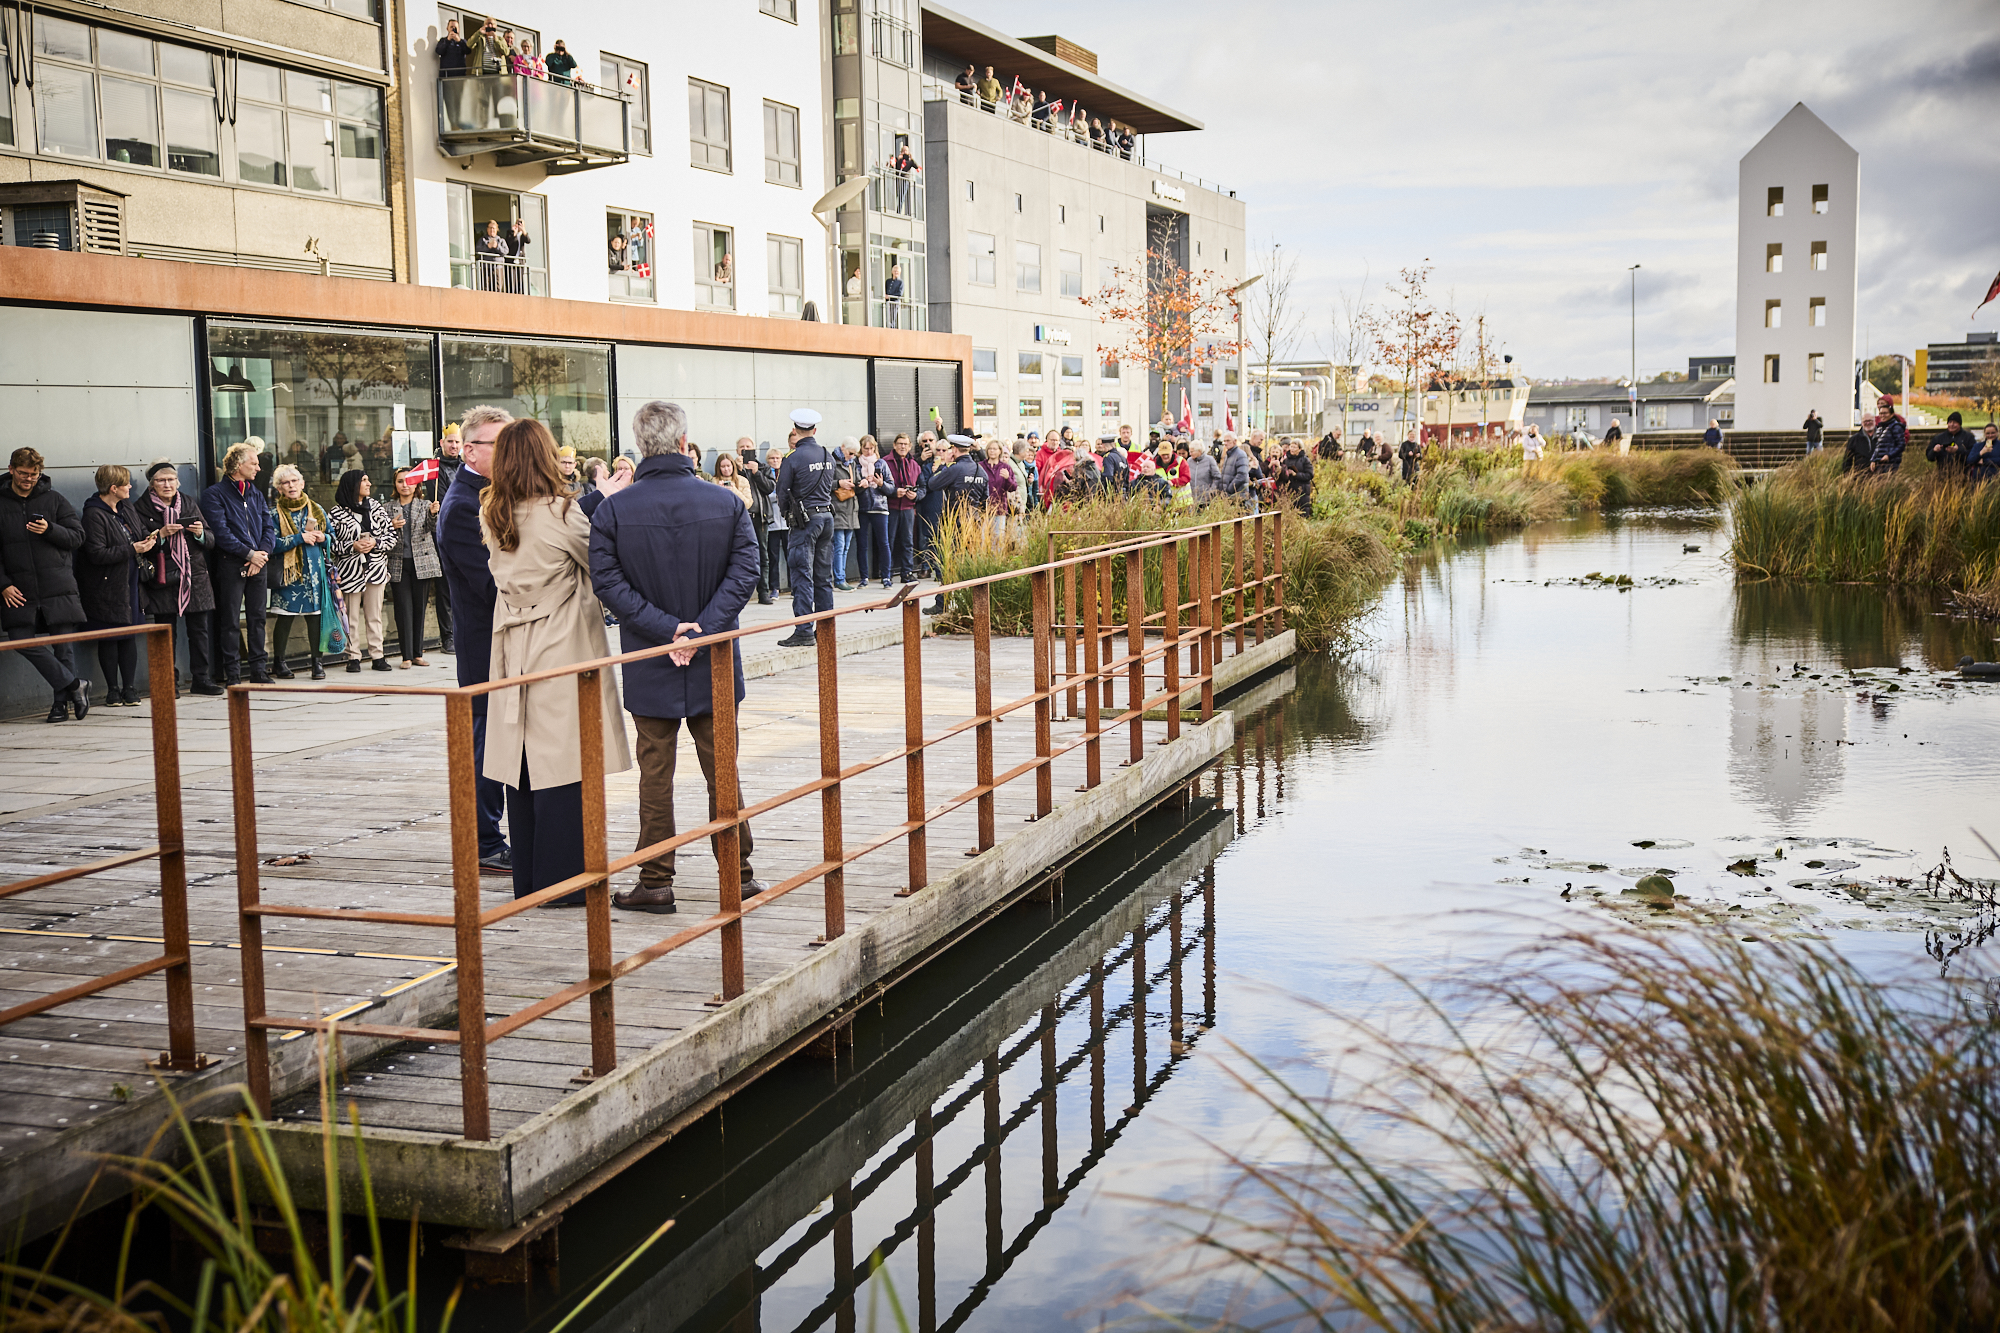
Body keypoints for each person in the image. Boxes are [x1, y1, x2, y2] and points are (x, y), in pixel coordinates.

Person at [590, 401, 767, 914]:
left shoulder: (613, 510)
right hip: (711, 654)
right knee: (723, 771)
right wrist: (703, 629)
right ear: (685, 438)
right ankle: (737, 873)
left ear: (639, 444)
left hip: (651, 654)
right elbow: (746, 569)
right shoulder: (725, 501)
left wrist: (668, 630)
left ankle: (656, 878)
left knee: (655, 773)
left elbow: (609, 584)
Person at [481, 417, 630, 905]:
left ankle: (529, 880)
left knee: (521, 768)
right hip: (561, 645)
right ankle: (568, 888)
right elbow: (598, 561)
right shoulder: (563, 512)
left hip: (511, 648)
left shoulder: (492, 511)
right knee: (566, 766)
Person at [435, 405, 514, 875]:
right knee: (484, 744)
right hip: (485, 646)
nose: (509, 453)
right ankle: (483, 842)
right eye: (499, 445)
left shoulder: (492, 491)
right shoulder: (463, 504)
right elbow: (490, 584)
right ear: (469, 450)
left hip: (507, 642)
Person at [1, 447, 90, 721]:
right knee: (20, 641)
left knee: (63, 647)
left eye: (34, 474)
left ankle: (60, 705)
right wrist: (3, 584)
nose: (29, 479)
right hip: (18, 588)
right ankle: (76, 685)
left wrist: (50, 529)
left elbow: (78, 537)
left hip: (57, 585)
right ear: (12, 469)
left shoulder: (55, 500)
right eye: (24, 473)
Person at [75, 465, 157, 707]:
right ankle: (112, 690)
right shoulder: (93, 514)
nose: (130, 487)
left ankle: (129, 688)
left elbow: (141, 532)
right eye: (126, 484)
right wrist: (133, 549)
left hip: (130, 582)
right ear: (114, 488)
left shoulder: (126, 507)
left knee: (129, 635)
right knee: (110, 637)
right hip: (106, 586)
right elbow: (96, 554)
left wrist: (152, 538)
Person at [135, 462, 218, 696]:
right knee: (165, 632)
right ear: (152, 484)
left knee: (199, 631)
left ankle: (201, 679)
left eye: (171, 479)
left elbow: (211, 539)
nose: (167, 484)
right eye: (161, 480)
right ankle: (167, 682)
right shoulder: (141, 507)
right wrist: (160, 534)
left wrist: (200, 533)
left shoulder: (189, 502)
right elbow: (140, 545)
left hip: (194, 575)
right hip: (163, 577)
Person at [201, 439, 276, 685]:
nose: (259, 468)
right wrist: (249, 554)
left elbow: (269, 527)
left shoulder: (255, 492)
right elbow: (221, 533)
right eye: (254, 463)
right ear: (238, 465)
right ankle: (232, 674)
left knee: (258, 618)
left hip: (258, 563)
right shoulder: (214, 495)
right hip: (232, 564)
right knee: (231, 620)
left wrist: (261, 555)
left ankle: (259, 670)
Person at [773, 408, 839, 647]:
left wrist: (788, 516)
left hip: (805, 523)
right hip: (827, 519)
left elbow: (782, 493)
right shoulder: (826, 454)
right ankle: (826, 630)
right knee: (823, 577)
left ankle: (803, 631)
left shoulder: (792, 458)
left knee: (802, 575)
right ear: (815, 430)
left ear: (795, 430)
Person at [265, 464, 334, 680]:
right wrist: (298, 538)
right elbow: (270, 544)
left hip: (314, 574)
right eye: (286, 483)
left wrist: (324, 538)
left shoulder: (316, 509)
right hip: (289, 575)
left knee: (315, 618)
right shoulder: (273, 514)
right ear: (279, 488)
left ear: (302, 484)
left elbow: (331, 536)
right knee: (284, 619)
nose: (291, 485)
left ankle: (317, 662)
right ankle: (279, 662)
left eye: (295, 481)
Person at [329, 469, 394, 673]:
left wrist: (376, 542)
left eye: (367, 479)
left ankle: (377, 655)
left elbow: (392, 537)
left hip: (375, 570)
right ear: (352, 485)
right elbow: (330, 545)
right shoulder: (336, 513)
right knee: (350, 617)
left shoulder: (377, 507)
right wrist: (352, 546)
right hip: (350, 572)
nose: (368, 483)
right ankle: (353, 656)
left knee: (374, 615)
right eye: (363, 480)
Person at [922, 436, 988, 614]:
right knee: (970, 563)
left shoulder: (955, 469)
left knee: (948, 563)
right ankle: (970, 602)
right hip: (974, 524)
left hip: (954, 524)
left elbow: (932, 483)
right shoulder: (980, 470)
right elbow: (985, 501)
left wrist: (943, 467)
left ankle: (942, 603)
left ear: (955, 450)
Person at [389, 465, 442, 667]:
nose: (405, 485)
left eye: (409, 481)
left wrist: (433, 514)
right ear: (395, 484)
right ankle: (406, 656)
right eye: (400, 481)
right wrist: (390, 526)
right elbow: (382, 533)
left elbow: (433, 528)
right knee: (403, 608)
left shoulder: (426, 504)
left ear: (417, 484)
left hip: (422, 562)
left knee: (419, 607)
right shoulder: (387, 507)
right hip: (398, 563)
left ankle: (418, 653)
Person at [883, 432, 926, 581]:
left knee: (908, 542)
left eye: (905, 444)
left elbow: (922, 487)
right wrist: (894, 492)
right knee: (888, 541)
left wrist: (917, 495)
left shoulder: (915, 465)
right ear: (894, 445)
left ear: (910, 446)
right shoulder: (884, 463)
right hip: (890, 507)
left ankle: (907, 573)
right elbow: (878, 486)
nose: (902, 446)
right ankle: (886, 574)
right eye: (900, 443)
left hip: (908, 508)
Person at [739, 438, 776, 605]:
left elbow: (769, 488)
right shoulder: (735, 468)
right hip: (742, 519)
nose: (745, 450)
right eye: (742, 447)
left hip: (760, 517)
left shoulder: (763, 467)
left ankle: (763, 592)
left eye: (748, 447)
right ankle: (743, 593)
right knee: (742, 556)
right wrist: (740, 470)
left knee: (763, 555)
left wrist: (756, 472)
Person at [855, 436, 891, 587]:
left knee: (883, 543)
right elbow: (852, 488)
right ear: (860, 449)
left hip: (879, 507)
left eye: (871, 448)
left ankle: (886, 576)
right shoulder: (856, 464)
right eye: (865, 448)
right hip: (862, 508)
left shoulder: (881, 463)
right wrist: (860, 485)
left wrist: (881, 484)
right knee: (862, 544)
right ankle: (864, 577)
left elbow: (891, 487)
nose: (868, 451)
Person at [831, 437, 861, 590]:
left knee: (846, 546)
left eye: (855, 454)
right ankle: (839, 579)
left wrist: (862, 483)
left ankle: (841, 577)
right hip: (837, 508)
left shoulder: (852, 464)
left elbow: (856, 483)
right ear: (842, 448)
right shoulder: (831, 462)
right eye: (850, 453)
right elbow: (824, 483)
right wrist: (839, 483)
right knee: (839, 545)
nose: (852, 456)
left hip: (850, 508)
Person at [762, 446, 790, 599]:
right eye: (772, 458)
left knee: (790, 554)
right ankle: (775, 588)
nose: (775, 461)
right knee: (773, 557)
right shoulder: (766, 474)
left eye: (777, 458)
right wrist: (779, 495)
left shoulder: (786, 473)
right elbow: (768, 494)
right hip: (772, 521)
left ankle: (793, 585)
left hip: (786, 521)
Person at [980, 439, 1019, 537]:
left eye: (994, 449)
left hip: (999, 508)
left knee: (998, 538)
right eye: (990, 449)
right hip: (983, 508)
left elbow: (1013, 487)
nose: (992, 451)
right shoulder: (980, 466)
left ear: (1000, 451)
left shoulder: (1005, 467)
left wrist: (1008, 478)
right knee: (983, 537)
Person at [1868, 395, 1909, 473]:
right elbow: (1877, 446)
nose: (1882, 416)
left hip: (1891, 463)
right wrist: (1873, 460)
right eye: (1881, 413)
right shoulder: (1880, 428)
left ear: (1892, 414)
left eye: (1885, 413)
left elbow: (1901, 445)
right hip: (1880, 462)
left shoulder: (1896, 427)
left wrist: (1889, 456)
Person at [1927, 411, 1971, 477]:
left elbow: (1972, 455)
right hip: (1943, 474)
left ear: (1959, 424)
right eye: (1950, 422)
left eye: (1955, 422)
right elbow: (1929, 457)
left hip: (1963, 474)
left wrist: (1958, 451)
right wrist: (1934, 451)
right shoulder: (1939, 438)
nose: (1952, 425)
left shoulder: (1968, 437)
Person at [1278, 438, 1315, 515]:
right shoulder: (1285, 460)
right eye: (1291, 446)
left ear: (1300, 449)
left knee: (1302, 513)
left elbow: (1310, 475)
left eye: (1295, 447)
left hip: (1302, 491)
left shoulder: (1305, 460)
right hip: (1289, 490)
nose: (1292, 449)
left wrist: (1296, 475)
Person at [883, 262, 904, 327]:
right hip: (887, 301)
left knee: (892, 317)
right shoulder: (888, 281)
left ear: (899, 273)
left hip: (895, 302)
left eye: (897, 271)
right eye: (895, 271)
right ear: (892, 272)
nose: (896, 272)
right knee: (886, 316)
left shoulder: (900, 282)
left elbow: (899, 293)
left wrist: (890, 296)